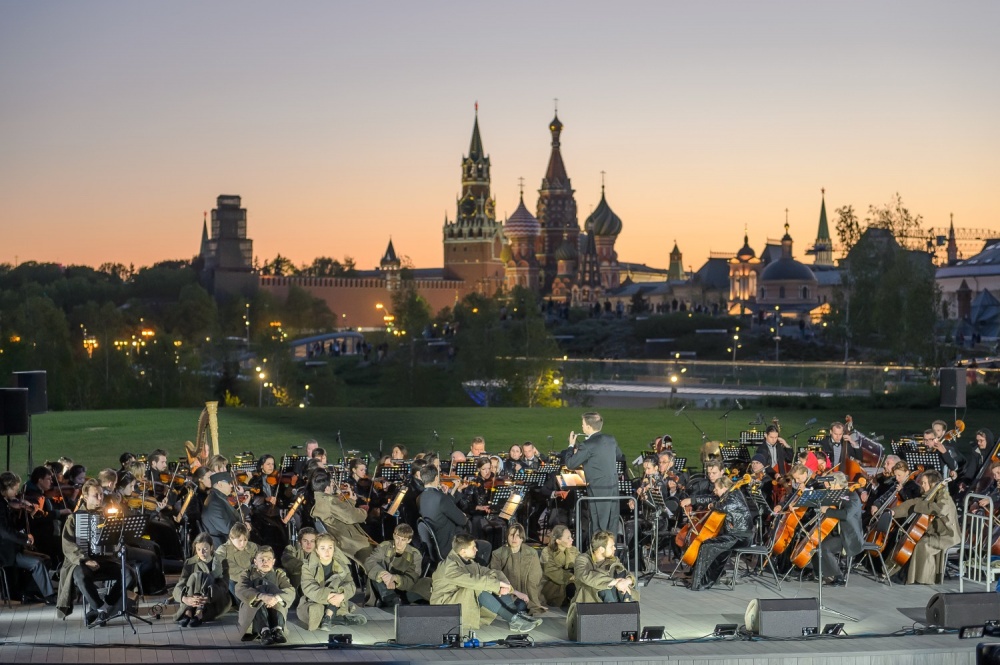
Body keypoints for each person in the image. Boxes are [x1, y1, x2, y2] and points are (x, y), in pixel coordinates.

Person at [430, 532, 542, 633]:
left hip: (458, 599)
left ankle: (516, 614)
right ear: (463, 551)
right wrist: (496, 585)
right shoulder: (449, 566)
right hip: (445, 605)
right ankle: (512, 618)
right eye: (473, 547)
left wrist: (512, 590)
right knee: (479, 585)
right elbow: (472, 581)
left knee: (490, 580)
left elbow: (491, 572)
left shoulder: (468, 562)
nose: (476, 550)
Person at [56, 479, 131, 623]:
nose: (100, 498)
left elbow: (117, 541)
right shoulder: (74, 518)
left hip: (105, 560)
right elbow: (68, 545)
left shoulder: (109, 516)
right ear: (85, 497)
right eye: (95, 495)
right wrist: (85, 559)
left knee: (129, 574)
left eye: (101, 494)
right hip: (81, 563)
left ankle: (103, 606)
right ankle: (100, 608)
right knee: (81, 577)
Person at [680, 476, 753, 590]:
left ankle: (701, 583)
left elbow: (724, 506)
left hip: (741, 536)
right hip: (734, 535)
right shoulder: (727, 495)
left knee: (707, 545)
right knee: (711, 546)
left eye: (716, 489)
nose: (714, 491)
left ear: (724, 488)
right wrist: (692, 500)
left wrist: (713, 506)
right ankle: (705, 581)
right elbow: (710, 498)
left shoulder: (735, 495)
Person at [890, 469, 960, 584]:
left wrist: (921, 506)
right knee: (912, 540)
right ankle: (908, 576)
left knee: (923, 545)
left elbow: (941, 509)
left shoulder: (944, 495)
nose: (921, 485)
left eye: (924, 483)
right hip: (933, 532)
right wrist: (894, 512)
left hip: (947, 534)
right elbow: (912, 503)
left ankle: (923, 580)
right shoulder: (928, 495)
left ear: (932, 484)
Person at [566, 529, 638, 640]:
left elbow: (626, 573)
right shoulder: (583, 559)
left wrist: (625, 581)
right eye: (611, 546)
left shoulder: (613, 559)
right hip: (591, 598)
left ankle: (625, 624)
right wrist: (613, 582)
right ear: (601, 549)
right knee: (604, 587)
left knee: (623, 584)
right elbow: (585, 575)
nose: (614, 548)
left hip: (614, 595)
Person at [565, 412, 625, 541]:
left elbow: (570, 464)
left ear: (588, 426)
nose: (582, 427)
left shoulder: (587, 445)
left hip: (598, 489)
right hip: (613, 487)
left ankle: (599, 555)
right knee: (611, 522)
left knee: (599, 523)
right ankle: (611, 553)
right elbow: (619, 455)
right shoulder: (611, 439)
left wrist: (571, 445)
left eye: (583, 424)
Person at [0, 471, 55, 604]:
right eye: (15, 489)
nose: (17, 492)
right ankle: (49, 597)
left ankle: (29, 592)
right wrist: (25, 538)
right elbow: (5, 531)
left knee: (45, 559)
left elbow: (12, 526)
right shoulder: (1, 505)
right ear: (7, 488)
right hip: (5, 552)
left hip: (13, 548)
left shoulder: (5, 502)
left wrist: (20, 511)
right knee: (37, 564)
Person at [297, 533, 367, 630]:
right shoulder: (308, 566)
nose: (327, 551)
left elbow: (350, 584)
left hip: (337, 599)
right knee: (315, 612)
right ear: (317, 550)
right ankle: (337, 619)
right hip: (314, 600)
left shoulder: (341, 565)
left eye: (330, 547)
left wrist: (342, 596)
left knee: (338, 582)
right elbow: (309, 588)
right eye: (323, 548)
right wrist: (329, 595)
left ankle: (328, 618)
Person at [310, 470, 374, 565]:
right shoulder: (330, 502)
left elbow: (342, 513)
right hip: (350, 543)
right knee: (378, 557)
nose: (334, 487)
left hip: (342, 540)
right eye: (332, 485)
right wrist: (363, 511)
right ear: (327, 488)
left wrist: (350, 502)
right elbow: (353, 516)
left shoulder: (320, 501)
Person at [235, 545, 296, 645]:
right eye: (262, 559)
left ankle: (277, 629)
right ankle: (264, 631)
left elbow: (290, 590)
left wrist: (275, 598)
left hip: (274, 609)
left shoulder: (279, 574)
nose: (265, 562)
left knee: (275, 592)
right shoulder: (247, 574)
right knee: (261, 588)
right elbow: (240, 589)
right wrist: (261, 596)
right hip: (254, 613)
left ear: (273, 561)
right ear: (255, 562)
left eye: (268, 559)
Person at [812, 472, 863, 586]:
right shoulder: (837, 495)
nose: (829, 487)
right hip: (838, 533)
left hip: (849, 536)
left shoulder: (852, 497)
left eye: (831, 485)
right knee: (816, 543)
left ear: (837, 484)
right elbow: (821, 503)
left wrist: (827, 511)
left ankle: (838, 577)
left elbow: (846, 514)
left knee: (824, 547)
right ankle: (819, 572)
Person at [363, 523, 430, 607]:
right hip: (383, 586)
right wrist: (384, 574)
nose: (399, 543)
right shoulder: (385, 546)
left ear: (409, 540)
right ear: (394, 536)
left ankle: (395, 600)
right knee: (376, 565)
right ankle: (389, 597)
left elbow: (412, 577)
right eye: (398, 538)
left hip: (403, 587)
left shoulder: (414, 554)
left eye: (403, 540)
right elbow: (369, 561)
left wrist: (394, 578)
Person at [173, 532, 231, 627]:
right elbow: (180, 585)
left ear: (211, 548)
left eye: (205, 549)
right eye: (198, 549)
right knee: (195, 576)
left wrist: (208, 597)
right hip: (191, 602)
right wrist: (185, 599)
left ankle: (197, 612)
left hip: (214, 601)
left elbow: (224, 586)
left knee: (202, 576)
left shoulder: (221, 562)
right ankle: (189, 611)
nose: (202, 553)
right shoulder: (190, 563)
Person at [489, 524, 546, 615]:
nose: (514, 538)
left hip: (526, 592)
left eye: (518, 536)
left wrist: (530, 598)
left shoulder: (531, 553)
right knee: (518, 606)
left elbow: (534, 578)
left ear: (522, 538)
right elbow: (495, 573)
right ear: (507, 536)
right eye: (511, 535)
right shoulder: (497, 553)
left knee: (522, 606)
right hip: (507, 591)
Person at [215, 522, 259, 600]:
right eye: (239, 540)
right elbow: (218, 562)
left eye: (245, 540)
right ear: (231, 538)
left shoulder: (251, 547)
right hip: (233, 579)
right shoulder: (223, 549)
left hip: (250, 578)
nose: (243, 543)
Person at [540, 524, 578, 608]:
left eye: (571, 537)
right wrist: (570, 576)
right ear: (558, 541)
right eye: (568, 538)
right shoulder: (547, 552)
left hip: (572, 583)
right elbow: (550, 570)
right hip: (554, 588)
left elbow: (581, 564)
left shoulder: (573, 550)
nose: (572, 539)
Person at [202, 471, 244, 547]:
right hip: (223, 546)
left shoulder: (218, 498)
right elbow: (228, 529)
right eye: (229, 483)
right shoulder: (214, 503)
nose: (231, 485)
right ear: (220, 484)